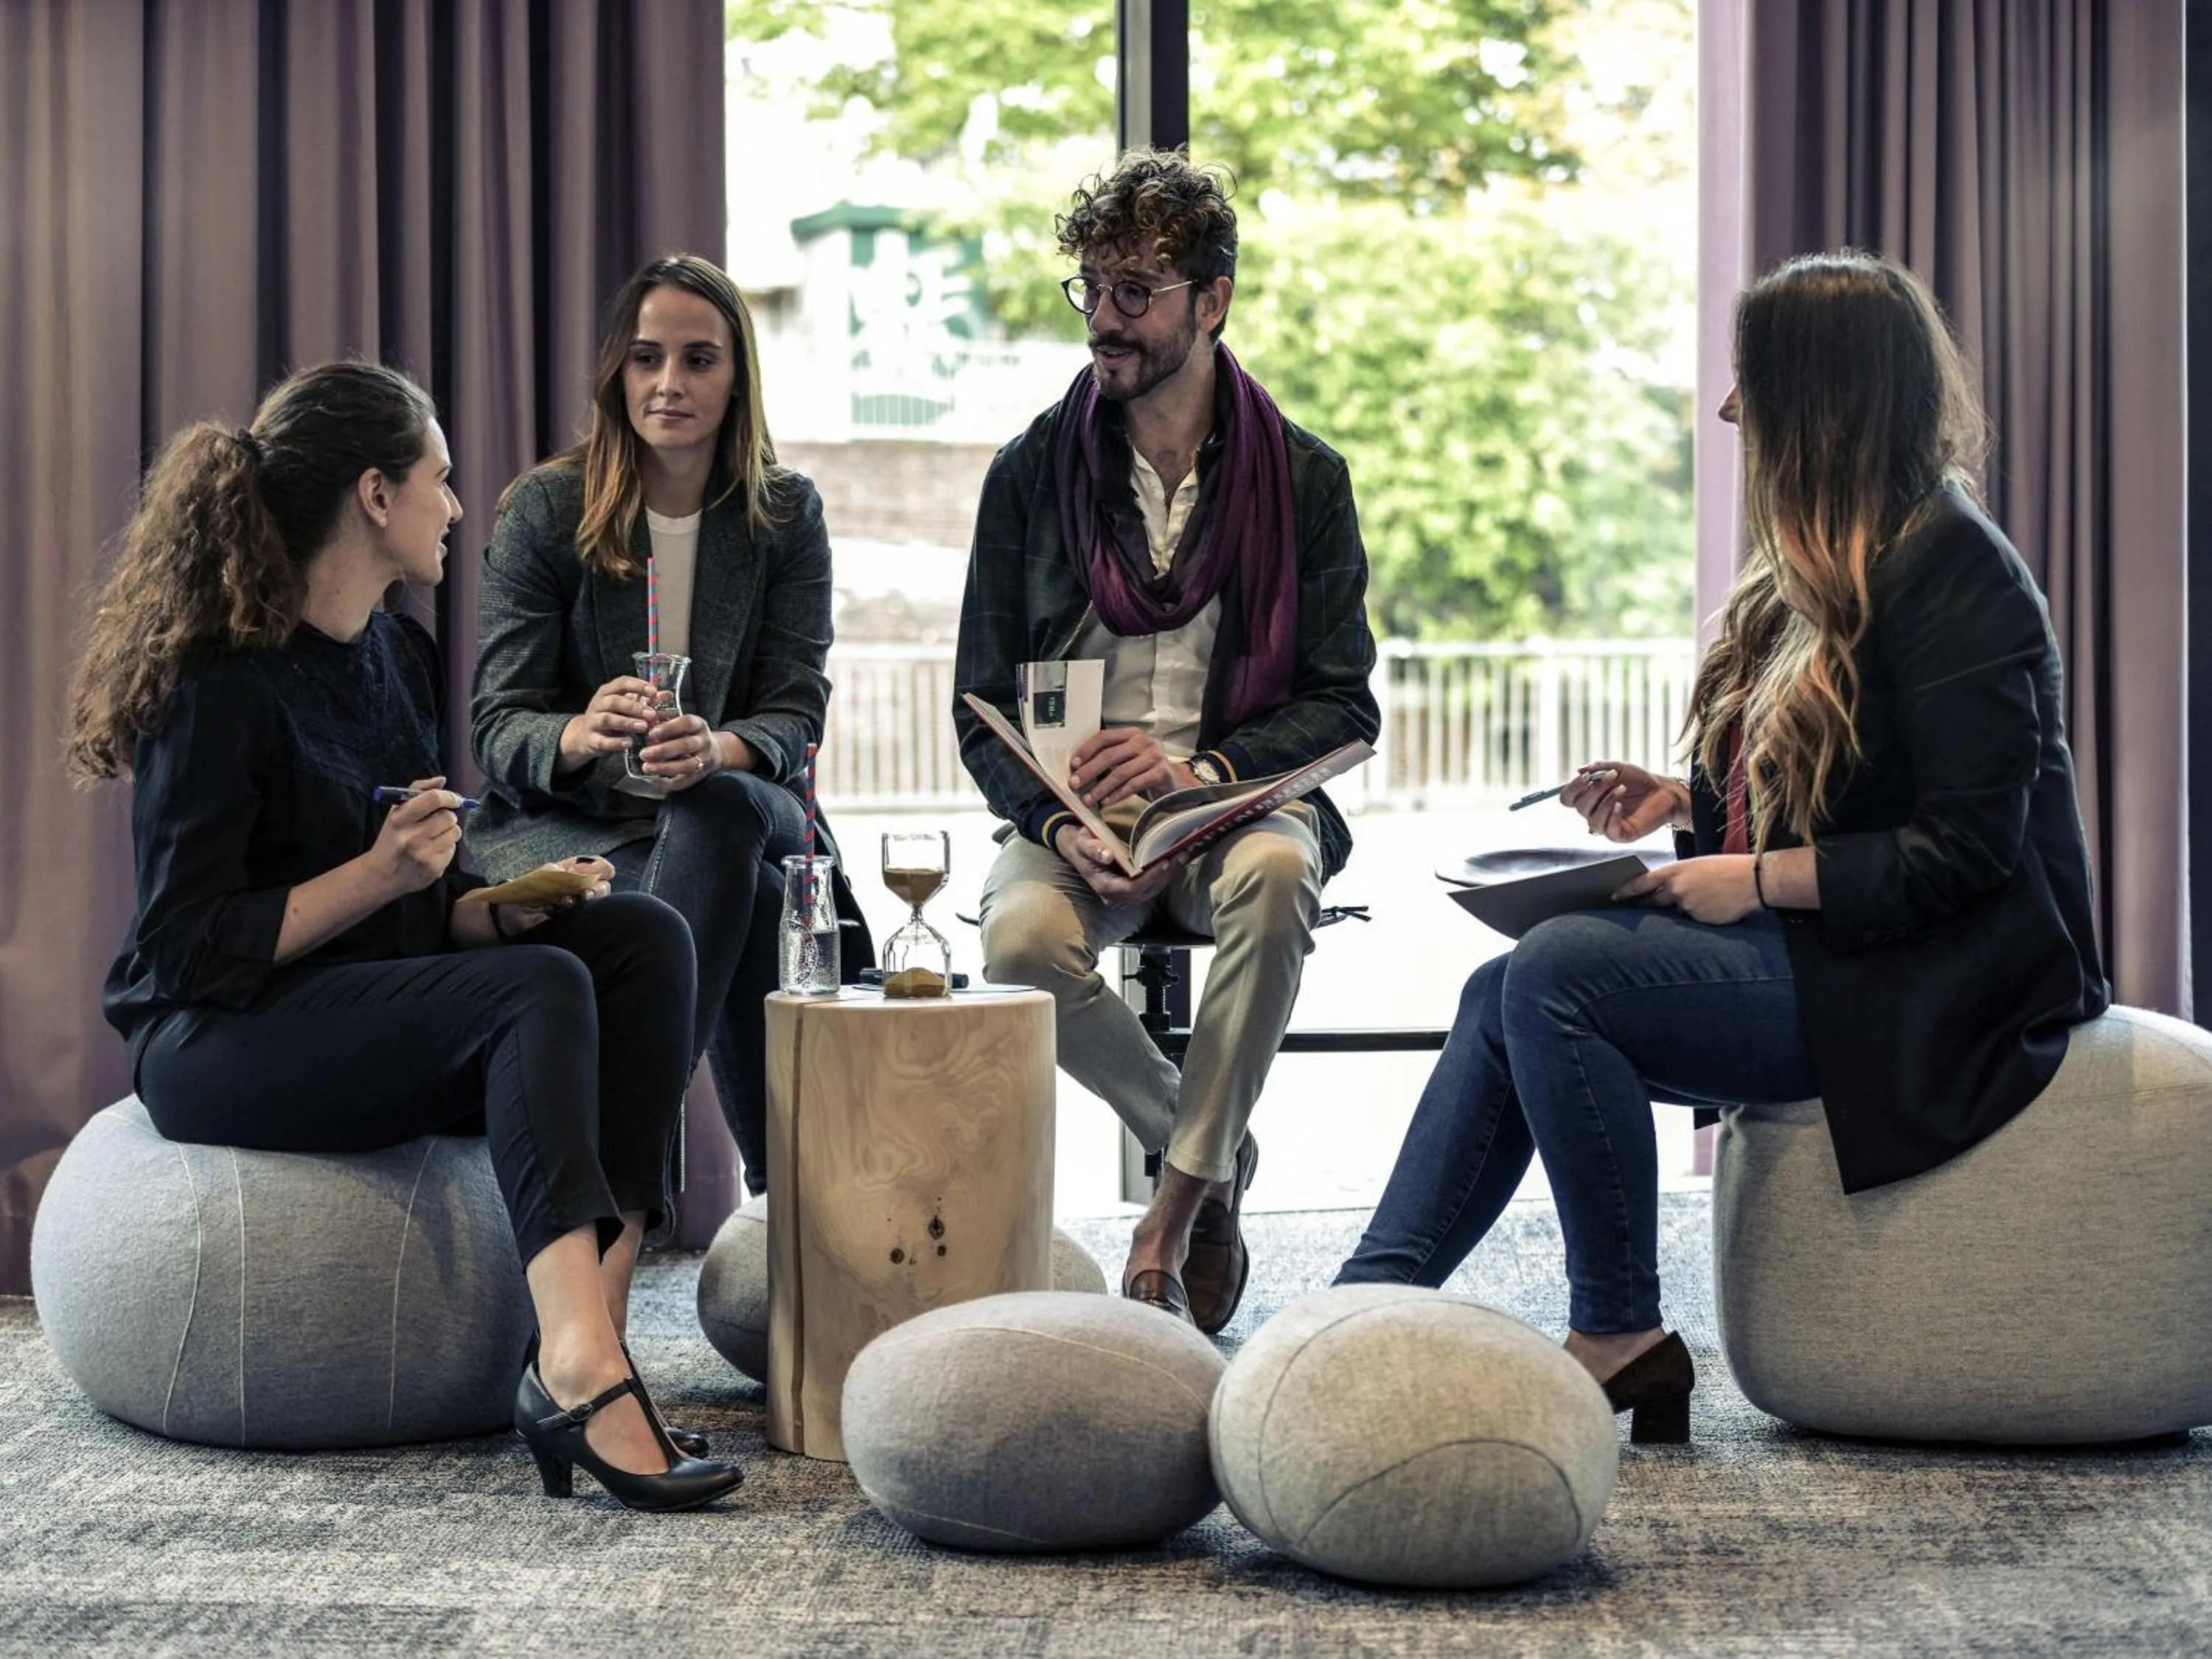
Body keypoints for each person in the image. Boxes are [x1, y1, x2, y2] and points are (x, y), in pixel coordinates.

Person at [1335, 251, 2110, 1443]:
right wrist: (1681, 805)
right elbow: (1839, 794)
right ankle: (1361, 1311)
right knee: (1504, 990)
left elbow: (1963, 856)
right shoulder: (1823, 560)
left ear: (1824, 395)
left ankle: (1619, 1332)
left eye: (1754, 379)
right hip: (1836, 953)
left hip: (1941, 989)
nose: (1731, 408)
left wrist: (1744, 878)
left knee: (1557, 975)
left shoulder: (1962, 576)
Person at [68, 361, 744, 1511]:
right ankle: (577, 1372)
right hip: (222, 1035)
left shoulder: (398, 653)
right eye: (440, 478)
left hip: (365, 997)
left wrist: (497, 902)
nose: (459, 506)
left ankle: (597, 1331)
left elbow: (422, 911)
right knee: (534, 990)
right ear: (376, 495)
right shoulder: (221, 686)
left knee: (639, 939)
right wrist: (380, 870)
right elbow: (182, 952)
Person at [953, 150, 1382, 1334]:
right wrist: (1057, 824)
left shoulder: (1305, 479)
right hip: (1073, 818)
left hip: (1230, 807)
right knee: (1019, 940)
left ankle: (1166, 1217)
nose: (1103, 319)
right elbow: (979, 701)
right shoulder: (1031, 472)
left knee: (1285, 869)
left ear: (1213, 299)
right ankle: (1215, 1156)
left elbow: (1344, 703)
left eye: (1135, 290)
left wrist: (1199, 777)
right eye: (1089, 288)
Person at [470, 253, 865, 1198]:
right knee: (763, 906)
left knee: (720, 810)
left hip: (744, 801)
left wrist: (718, 747)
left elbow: (794, 711)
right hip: (585, 821)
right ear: (618, 372)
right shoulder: (547, 510)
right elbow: (499, 725)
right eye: (647, 359)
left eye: (699, 360)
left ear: (738, 377)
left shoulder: (783, 515)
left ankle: (626, 1182)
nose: (669, 384)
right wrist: (579, 732)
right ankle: (792, 1221)